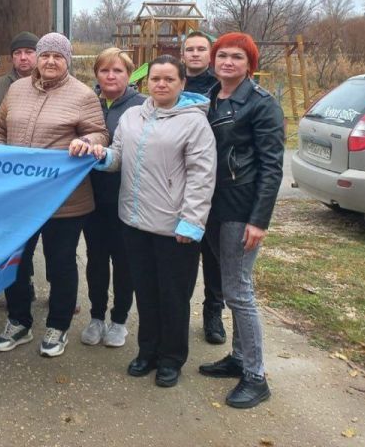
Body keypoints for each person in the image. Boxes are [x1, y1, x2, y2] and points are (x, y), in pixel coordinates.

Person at [91, 55, 216, 387]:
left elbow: (202, 177)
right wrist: (100, 157)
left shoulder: (194, 123)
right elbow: (118, 155)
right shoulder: (133, 115)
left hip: (174, 228)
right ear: (146, 82)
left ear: (182, 84)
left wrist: (191, 222)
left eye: (169, 79)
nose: (161, 84)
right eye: (156, 79)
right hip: (134, 223)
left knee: (172, 295)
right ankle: (147, 351)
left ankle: (171, 359)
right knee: (145, 293)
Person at [0, 32, 109, 358]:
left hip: (64, 200)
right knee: (15, 261)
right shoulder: (16, 90)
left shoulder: (82, 95)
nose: (51, 61)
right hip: (19, 198)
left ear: (67, 60)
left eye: (58, 56)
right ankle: (19, 322)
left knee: (60, 264)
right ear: (37, 60)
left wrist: (88, 142)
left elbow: (100, 133)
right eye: (45, 56)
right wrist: (2, 155)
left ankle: (57, 327)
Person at [199, 33, 285, 409]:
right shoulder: (211, 99)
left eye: (237, 57)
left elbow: (272, 167)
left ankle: (256, 376)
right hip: (213, 205)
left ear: (250, 65)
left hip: (241, 206)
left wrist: (259, 220)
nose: (228, 62)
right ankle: (238, 358)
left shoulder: (262, 105)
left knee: (238, 290)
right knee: (230, 283)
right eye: (223, 56)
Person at [81, 47, 144, 350]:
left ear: (129, 75)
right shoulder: (87, 104)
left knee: (124, 261)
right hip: (92, 198)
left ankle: (119, 320)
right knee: (95, 260)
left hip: (127, 198)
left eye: (117, 70)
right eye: (105, 70)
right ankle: (96, 316)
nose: (110, 76)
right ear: (96, 74)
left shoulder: (142, 106)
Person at [182, 30, 227, 345]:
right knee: (181, 254)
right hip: (177, 184)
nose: (195, 54)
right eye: (190, 49)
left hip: (217, 184)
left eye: (201, 49)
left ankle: (213, 312)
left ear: (210, 55)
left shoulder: (221, 88)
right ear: (182, 55)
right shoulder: (174, 82)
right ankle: (176, 314)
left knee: (214, 255)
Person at [0, 31, 39, 115]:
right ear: (12, 58)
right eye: (17, 53)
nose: (23, 57)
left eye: (29, 52)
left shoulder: (49, 84)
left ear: (39, 55)